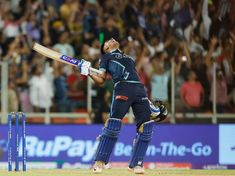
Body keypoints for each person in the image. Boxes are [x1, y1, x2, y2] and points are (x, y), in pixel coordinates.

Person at [77, 38, 168, 174]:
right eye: (107, 42)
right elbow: (101, 79)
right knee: (113, 123)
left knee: (146, 126)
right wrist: (88, 72)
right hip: (122, 88)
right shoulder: (105, 57)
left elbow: (133, 74)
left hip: (139, 89)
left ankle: (136, 165)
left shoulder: (129, 58)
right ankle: (100, 162)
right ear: (106, 48)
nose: (111, 40)